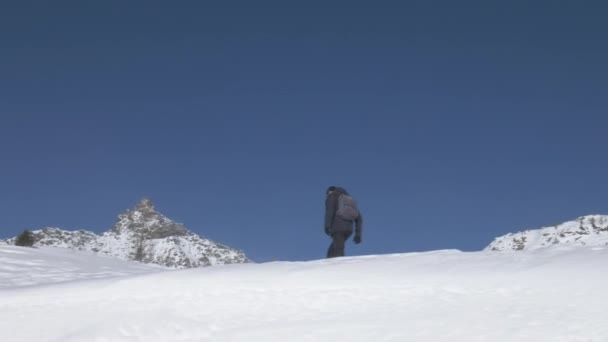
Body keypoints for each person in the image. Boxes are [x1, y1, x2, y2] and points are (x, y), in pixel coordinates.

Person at [324, 186, 363, 258]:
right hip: (348, 229)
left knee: (338, 250)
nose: (327, 195)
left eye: (327, 193)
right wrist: (358, 234)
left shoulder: (332, 196)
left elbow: (330, 211)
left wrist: (327, 226)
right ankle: (329, 265)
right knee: (333, 249)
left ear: (330, 191)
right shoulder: (349, 200)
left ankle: (340, 266)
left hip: (337, 227)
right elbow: (359, 218)